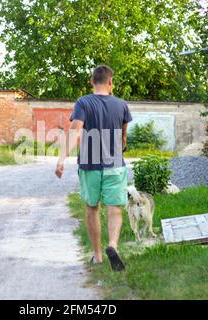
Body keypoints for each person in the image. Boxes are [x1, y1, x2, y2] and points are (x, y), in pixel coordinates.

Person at [55, 65, 132, 271]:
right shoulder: (122, 104)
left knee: (92, 207)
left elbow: (74, 132)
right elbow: (124, 135)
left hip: (90, 164)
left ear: (92, 82)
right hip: (115, 164)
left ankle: (97, 256)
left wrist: (61, 159)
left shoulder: (83, 102)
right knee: (115, 208)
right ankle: (113, 245)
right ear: (110, 82)